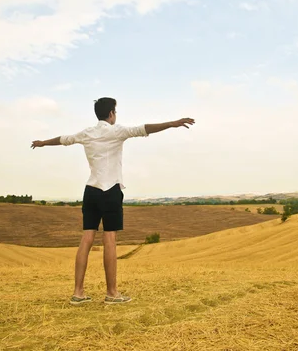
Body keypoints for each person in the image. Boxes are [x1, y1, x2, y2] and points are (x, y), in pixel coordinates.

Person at [31, 97, 195, 305]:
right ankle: (112, 293)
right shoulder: (116, 131)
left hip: (90, 190)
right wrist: (172, 123)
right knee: (109, 240)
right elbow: (144, 129)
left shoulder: (86, 133)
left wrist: (43, 143)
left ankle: (78, 293)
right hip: (110, 191)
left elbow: (63, 139)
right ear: (111, 114)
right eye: (115, 112)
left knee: (86, 239)